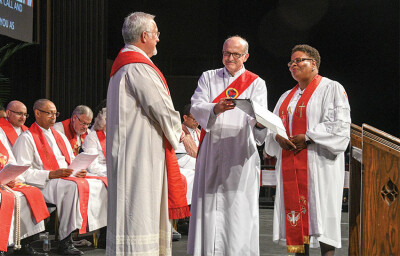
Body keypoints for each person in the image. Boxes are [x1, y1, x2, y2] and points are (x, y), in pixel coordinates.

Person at [106, 12, 189, 255]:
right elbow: (161, 108)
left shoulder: (124, 64)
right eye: (156, 35)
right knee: (140, 212)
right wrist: (183, 136)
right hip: (139, 156)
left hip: (132, 152)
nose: (158, 40)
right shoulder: (138, 67)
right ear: (144, 36)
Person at [264, 44, 351, 255]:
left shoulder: (331, 88)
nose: (293, 65)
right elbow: (272, 126)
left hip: (319, 165)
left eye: (298, 60)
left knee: (322, 221)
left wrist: (309, 137)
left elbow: (339, 125)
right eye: (290, 63)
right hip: (290, 164)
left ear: (313, 63)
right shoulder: (285, 97)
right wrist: (277, 137)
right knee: (297, 223)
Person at [187, 35, 269, 256]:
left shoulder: (256, 83)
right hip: (212, 148)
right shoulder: (208, 77)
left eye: (235, 54)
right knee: (208, 203)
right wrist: (215, 108)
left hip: (240, 151)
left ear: (246, 56)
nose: (229, 58)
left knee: (238, 207)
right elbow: (196, 106)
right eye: (226, 53)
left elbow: (259, 119)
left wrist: (261, 123)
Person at [13, 99, 108, 255]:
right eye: (49, 113)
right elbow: (23, 172)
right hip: (44, 182)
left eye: (55, 113)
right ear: (37, 113)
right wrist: (50, 173)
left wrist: (78, 170)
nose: (53, 117)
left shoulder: (59, 136)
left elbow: (70, 161)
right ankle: (65, 240)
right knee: (72, 187)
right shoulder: (27, 138)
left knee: (100, 183)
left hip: (63, 178)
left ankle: (100, 232)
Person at [0, 132, 50, 256]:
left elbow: (10, 159)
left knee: (32, 192)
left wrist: (12, 176)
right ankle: (2, 246)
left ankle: (25, 243)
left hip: (3, 181)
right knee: (3, 198)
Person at [176, 103, 200, 205]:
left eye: (199, 119)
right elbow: (179, 157)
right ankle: (188, 211)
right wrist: (200, 165)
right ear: (185, 117)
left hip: (196, 166)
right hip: (182, 167)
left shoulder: (199, 133)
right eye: (194, 119)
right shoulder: (178, 132)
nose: (197, 122)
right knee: (195, 177)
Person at [82, 107, 107, 177]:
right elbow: (93, 167)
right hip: (97, 176)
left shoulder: (116, 137)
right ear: (104, 121)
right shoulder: (92, 137)